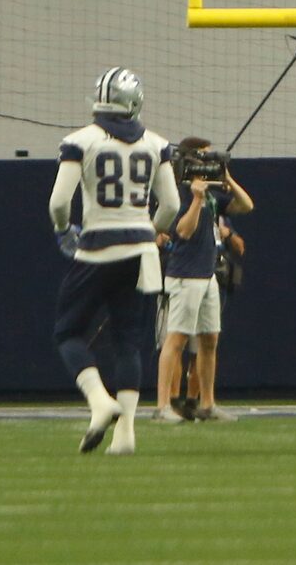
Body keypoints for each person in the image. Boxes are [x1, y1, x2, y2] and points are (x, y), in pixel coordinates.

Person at [49, 68, 181, 455]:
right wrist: (151, 230)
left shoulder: (81, 141)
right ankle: (126, 436)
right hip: (141, 252)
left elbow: (59, 202)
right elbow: (171, 204)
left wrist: (63, 231)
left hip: (97, 249)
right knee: (128, 344)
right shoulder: (157, 144)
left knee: (67, 332)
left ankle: (98, 401)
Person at [155, 136, 253, 422]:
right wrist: (197, 199)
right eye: (205, 158)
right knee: (176, 339)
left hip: (208, 274)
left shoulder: (211, 194)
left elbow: (245, 205)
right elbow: (183, 231)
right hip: (185, 274)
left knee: (209, 339)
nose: (209, 163)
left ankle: (207, 403)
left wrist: (227, 179)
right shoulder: (178, 193)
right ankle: (163, 405)